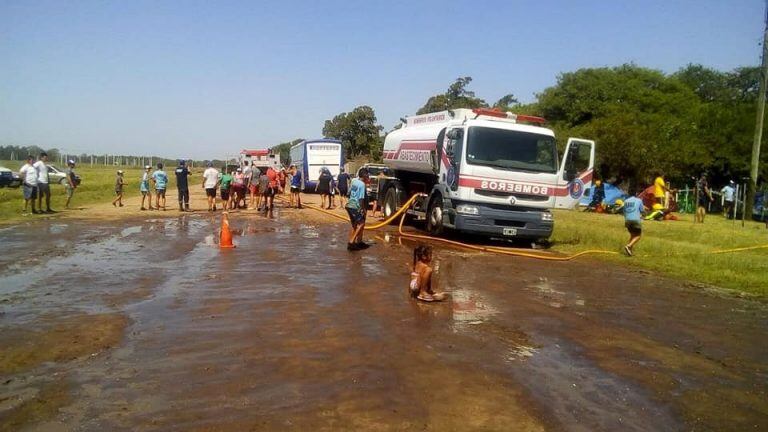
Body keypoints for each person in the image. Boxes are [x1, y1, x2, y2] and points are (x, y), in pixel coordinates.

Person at [345, 168, 370, 251]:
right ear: (365, 176)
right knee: (361, 224)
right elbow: (361, 199)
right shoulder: (362, 185)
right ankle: (351, 242)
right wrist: (362, 209)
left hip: (349, 205)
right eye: (368, 175)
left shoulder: (354, 181)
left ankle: (355, 242)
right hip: (356, 206)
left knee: (354, 225)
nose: (368, 176)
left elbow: (349, 192)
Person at [622, 187, 645, 256]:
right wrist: (644, 215)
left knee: (632, 235)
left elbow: (624, 211)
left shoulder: (626, 201)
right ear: (636, 193)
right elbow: (642, 211)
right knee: (638, 235)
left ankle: (629, 251)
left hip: (627, 220)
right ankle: (628, 246)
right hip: (635, 220)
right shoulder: (639, 200)